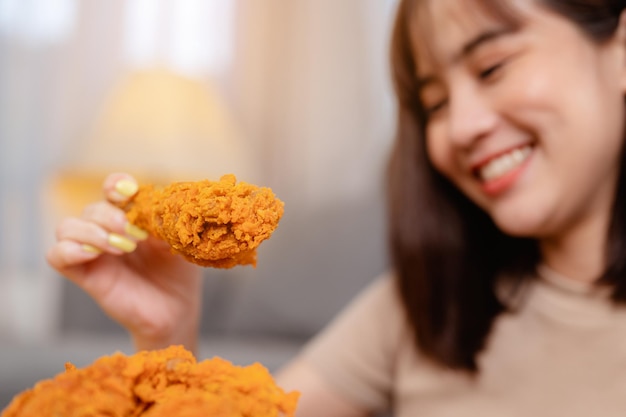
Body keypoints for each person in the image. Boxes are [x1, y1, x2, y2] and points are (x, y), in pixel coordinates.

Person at [47, 0, 626, 415]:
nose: (464, 126)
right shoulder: (423, 304)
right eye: (435, 103)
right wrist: (168, 346)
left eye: (492, 67)